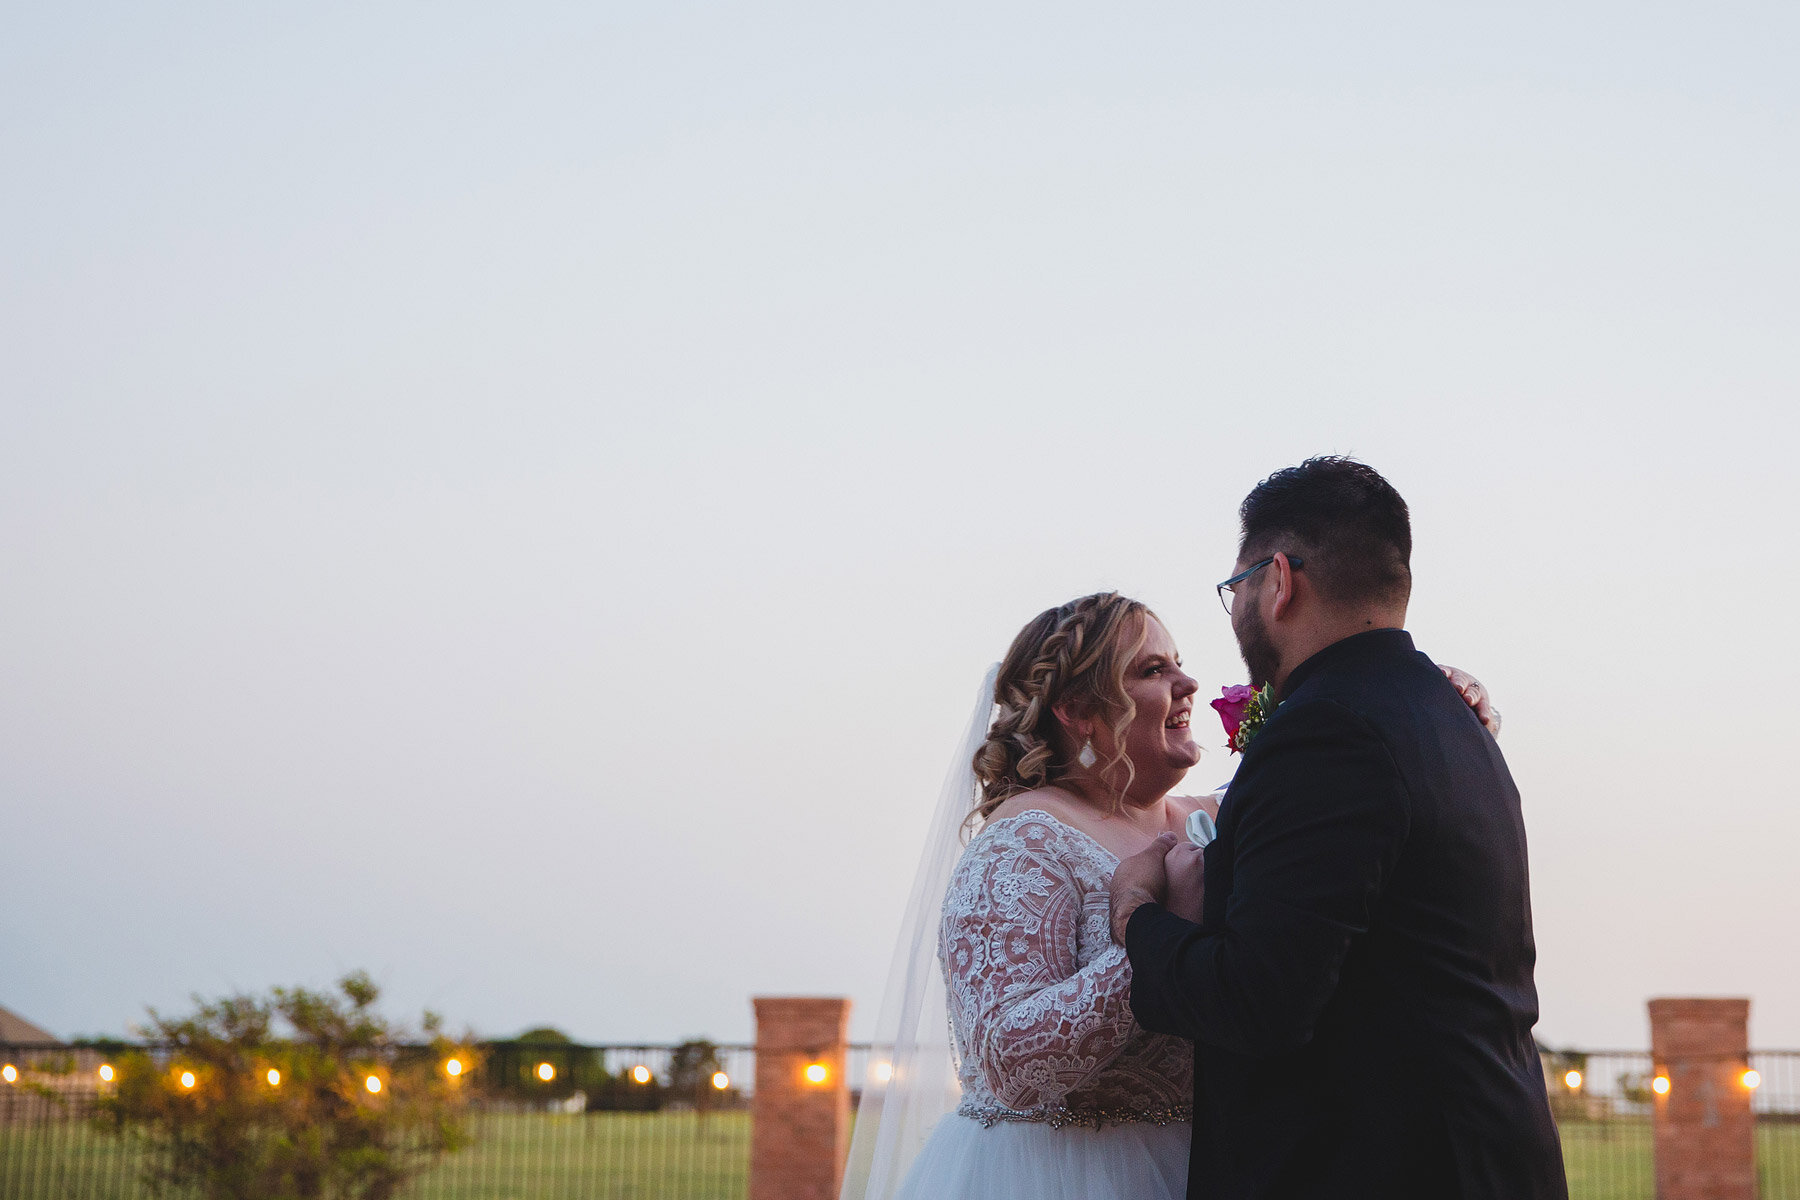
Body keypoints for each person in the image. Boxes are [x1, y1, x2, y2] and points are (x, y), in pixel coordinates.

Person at [841, 589, 1499, 1200]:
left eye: (1178, 663)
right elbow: (1008, 1060)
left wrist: (1439, 700)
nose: (1188, 683)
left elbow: (1335, 792)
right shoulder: (1025, 839)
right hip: (1058, 1172)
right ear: (1080, 713)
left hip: (1200, 1165)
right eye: (1153, 669)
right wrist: (1155, 932)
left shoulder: (1206, 819)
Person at [1112, 457, 1568, 1199]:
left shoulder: (1326, 731)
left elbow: (1257, 1002)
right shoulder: (1453, 717)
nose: (1236, 610)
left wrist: (1137, 917)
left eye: (1237, 588)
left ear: (1280, 580)